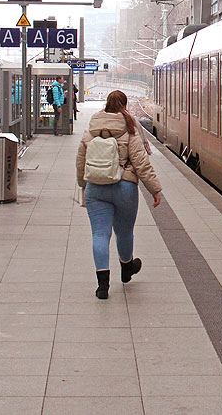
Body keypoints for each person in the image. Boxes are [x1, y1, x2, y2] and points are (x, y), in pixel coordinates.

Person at [75, 89, 162, 299]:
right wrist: (155, 190)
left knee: (99, 234)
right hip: (125, 187)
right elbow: (141, 162)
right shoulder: (129, 128)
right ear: (124, 106)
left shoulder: (92, 127)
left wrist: (83, 185)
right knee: (124, 232)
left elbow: (80, 160)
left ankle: (102, 286)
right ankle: (126, 268)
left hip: (96, 188)